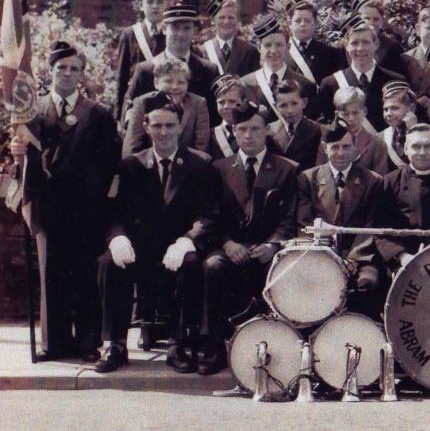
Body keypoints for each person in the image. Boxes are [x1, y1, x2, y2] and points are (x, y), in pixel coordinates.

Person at [10, 42, 119, 361]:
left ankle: (88, 342)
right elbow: (23, 158)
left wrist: (98, 199)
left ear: (82, 73)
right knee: (51, 274)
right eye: (61, 68)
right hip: (47, 204)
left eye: (73, 68)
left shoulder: (97, 114)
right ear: (50, 72)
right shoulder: (33, 111)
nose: (67, 73)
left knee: (85, 274)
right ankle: (54, 344)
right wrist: (18, 153)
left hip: (85, 207)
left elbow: (109, 161)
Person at [94, 94, 215, 374]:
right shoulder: (130, 165)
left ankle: (178, 344)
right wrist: (117, 238)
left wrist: (188, 240)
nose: (163, 132)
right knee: (108, 263)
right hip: (141, 249)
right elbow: (112, 212)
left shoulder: (200, 164)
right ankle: (115, 344)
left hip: (176, 248)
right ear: (146, 126)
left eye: (170, 126)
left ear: (181, 126)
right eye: (157, 126)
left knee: (192, 264)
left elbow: (208, 215)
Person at [200, 103, 298, 375]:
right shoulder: (218, 168)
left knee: (281, 271)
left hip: (267, 250)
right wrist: (227, 243)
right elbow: (211, 215)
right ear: (233, 132)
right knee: (212, 266)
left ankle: (276, 349)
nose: (248, 135)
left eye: (255, 128)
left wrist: (273, 245)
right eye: (241, 129)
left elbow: (291, 219)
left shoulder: (287, 169)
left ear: (267, 130)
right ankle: (213, 347)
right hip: (230, 247)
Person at [297, 119, 385, 319]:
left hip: (359, 258)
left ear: (355, 147)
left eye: (346, 146)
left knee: (368, 282)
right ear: (324, 148)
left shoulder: (372, 181)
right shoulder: (308, 178)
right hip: (319, 255)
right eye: (334, 147)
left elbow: (371, 227)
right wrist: (329, 258)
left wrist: (353, 260)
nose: (341, 153)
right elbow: (305, 224)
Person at [378, 124, 430, 271]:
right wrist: (403, 257)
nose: (422, 152)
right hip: (402, 262)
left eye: (428, 146)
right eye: (416, 146)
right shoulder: (390, 182)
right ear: (406, 149)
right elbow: (381, 228)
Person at [124, 4, 217, 126]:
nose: (181, 34)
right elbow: (129, 115)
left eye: (186, 28)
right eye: (175, 28)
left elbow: (215, 119)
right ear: (163, 29)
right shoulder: (146, 70)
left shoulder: (208, 71)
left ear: (194, 31)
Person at [317, 14, 406, 128]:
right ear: (346, 46)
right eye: (354, 43)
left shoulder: (395, 81)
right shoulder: (330, 84)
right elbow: (327, 126)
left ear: (376, 44)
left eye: (366, 42)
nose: (360, 48)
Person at [123, 58, 210, 156]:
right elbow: (132, 145)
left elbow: (202, 146)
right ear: (156, 82)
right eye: (168, 81)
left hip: (188, 165)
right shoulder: (142, 103)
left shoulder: (198, 104)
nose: (175, 87)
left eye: (181, 82)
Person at [241, 14, 318, 121]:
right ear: (259, 48)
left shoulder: (305, 85)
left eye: (279, 45)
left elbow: (310, 128)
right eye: (267, 45)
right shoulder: (246, 83)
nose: (273, 50)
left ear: (288, 47)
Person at [116, 0, 167, 120]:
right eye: (150, 1)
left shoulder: (172, 33)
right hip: (136, 103)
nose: (155, 6)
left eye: (160, 1)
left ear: (166, 5)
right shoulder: (130, 34)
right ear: (141, 5)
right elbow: (121, 76)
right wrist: (119, 115)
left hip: (166, 106)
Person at [284, 0, 346, 84]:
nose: (302, 24)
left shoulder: (330, 53)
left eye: (307, 20)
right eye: (298, 21)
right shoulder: (282, 52)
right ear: (290, 23)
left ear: (315, 23)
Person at [267, 79, 324, 172]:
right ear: (276, 107)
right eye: (283, 105)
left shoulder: (317, 131)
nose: (290, 110)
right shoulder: (269, 131)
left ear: (304, 103)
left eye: (294, 103)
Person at [332, 86, 389, 174]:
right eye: (345, 114)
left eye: (355, 113)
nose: (351, 118)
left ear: (365, 111)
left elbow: (380, 181)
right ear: (337, 114)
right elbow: (322, 176)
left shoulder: (377, 144)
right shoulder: (328, 141)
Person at [200, 0, 260, 77]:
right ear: (213, 21)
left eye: (231, 18)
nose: (226, 22)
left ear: (238, 21)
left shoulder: (250, 51)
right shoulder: (203, 51)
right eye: (221, 17)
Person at [208, 75, 246, 160]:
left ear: (243, 101)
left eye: (232, 101)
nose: (226, 106)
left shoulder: (252, 130)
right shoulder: (209, 137)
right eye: (221, 102)